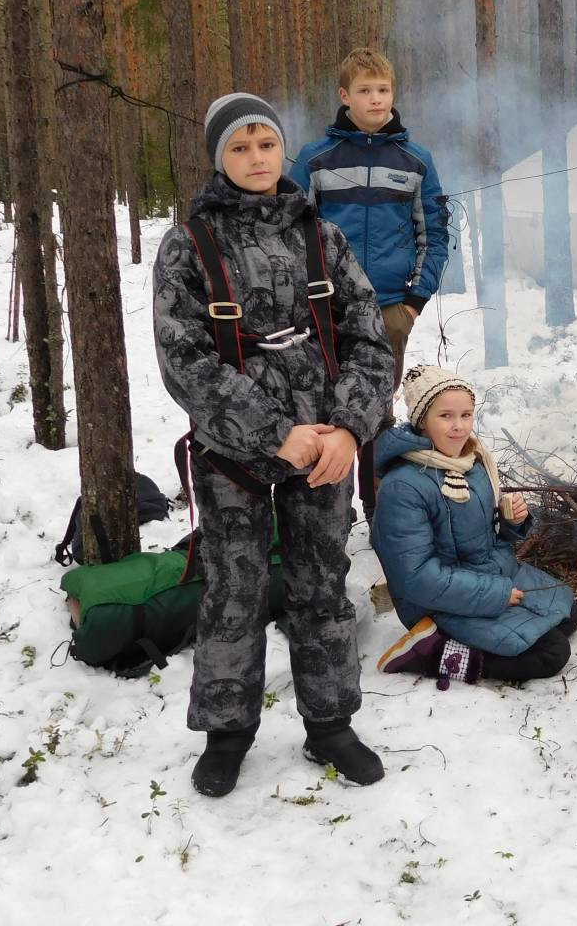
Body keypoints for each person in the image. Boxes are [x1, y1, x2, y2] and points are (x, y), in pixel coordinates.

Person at [153, 93, 396, 797]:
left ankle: (331, 724)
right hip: (235, 455)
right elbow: (184, 361)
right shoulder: (189, 244)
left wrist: (350, 427)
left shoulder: (322, 235)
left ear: (282, 150)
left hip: (325, 452)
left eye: (266, 144)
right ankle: (227, 731)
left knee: (323, 587)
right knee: (235, 589)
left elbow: (368, 341)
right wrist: (273, 434)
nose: (256, 158)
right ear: (218, 158)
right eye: (240, 147)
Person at [289, 47, 450, 512]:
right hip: (326, 309)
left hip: (390, 307)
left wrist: (414, 301)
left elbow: (434, 233)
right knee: (326, 408)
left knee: (377, 409)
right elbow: (293, 232)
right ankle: (325, 512)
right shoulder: (316, 159)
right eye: (365, 91)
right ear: (345, 96)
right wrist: (305, 298)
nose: (376, 99)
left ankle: (382, 510)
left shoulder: (415, 160)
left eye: (383, 90)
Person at [373, 366, 577, 685]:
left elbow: (485, 539)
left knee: (569, 615)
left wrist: (512, 524)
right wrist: (495, 594)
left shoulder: (472, 462)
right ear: (421, 419)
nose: (459, 427)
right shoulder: (403, 487)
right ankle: (430, 650)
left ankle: (473, 634)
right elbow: (415, 579)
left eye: (466, 415)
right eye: (445, 416)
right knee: (551, 654)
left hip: (485, 575)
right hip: (435, 601)